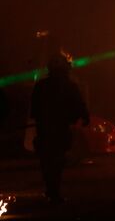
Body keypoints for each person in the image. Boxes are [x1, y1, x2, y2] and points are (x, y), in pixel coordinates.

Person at [31, 53, 89, 203]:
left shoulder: (41, 86)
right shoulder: (68, 86)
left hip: (46, 129)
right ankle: (53, 190)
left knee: (48, 160)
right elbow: (79, 104)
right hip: (57, 129)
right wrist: (84, 116)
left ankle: (52, 189)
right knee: (55, 160)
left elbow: (34, 109)